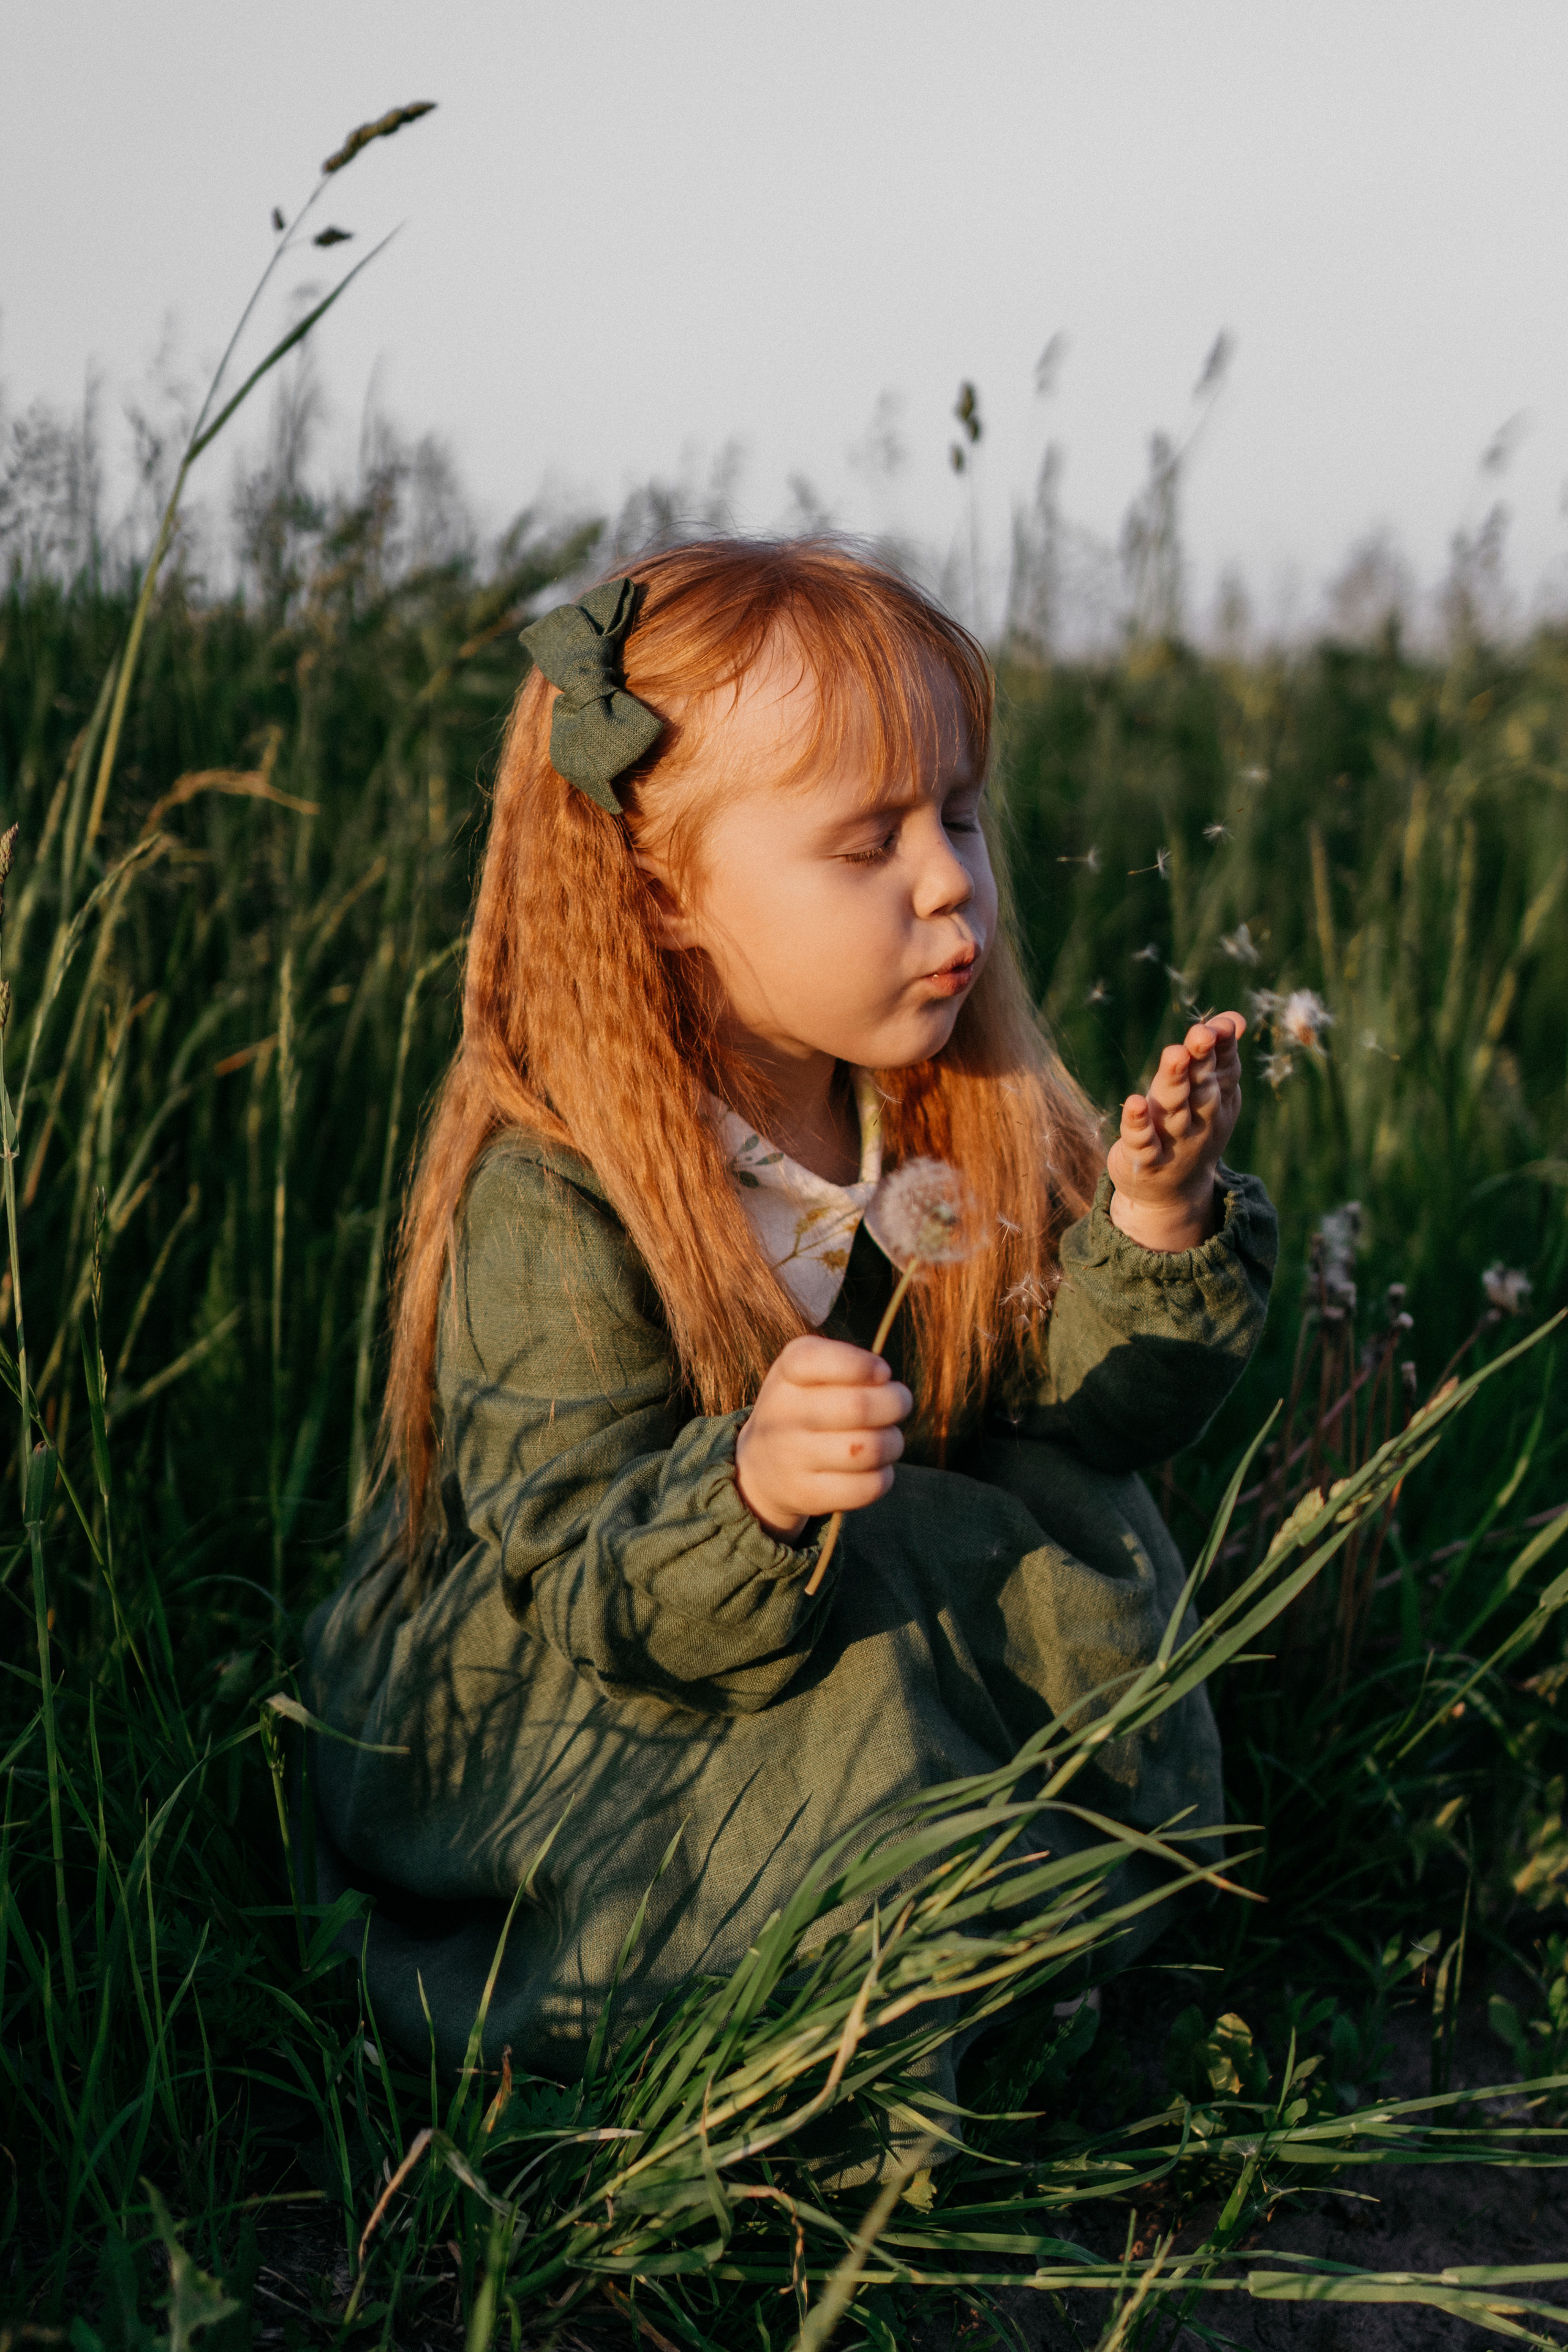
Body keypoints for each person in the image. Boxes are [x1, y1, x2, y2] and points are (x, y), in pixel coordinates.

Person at [304, 538, 1276, 2108]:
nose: (949, 880)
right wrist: (749, 1489)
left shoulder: (946, 1117)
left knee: (1034, 1510)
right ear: (661, 893)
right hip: (594, 1661)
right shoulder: (560, 1192)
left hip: (845, 1613)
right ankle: (810, 2030)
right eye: (864, 843)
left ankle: (996, 1926)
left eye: (956, 814)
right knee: (854, 1697)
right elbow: (574, 1552)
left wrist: (1151, 1227)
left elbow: (1085, 1416)